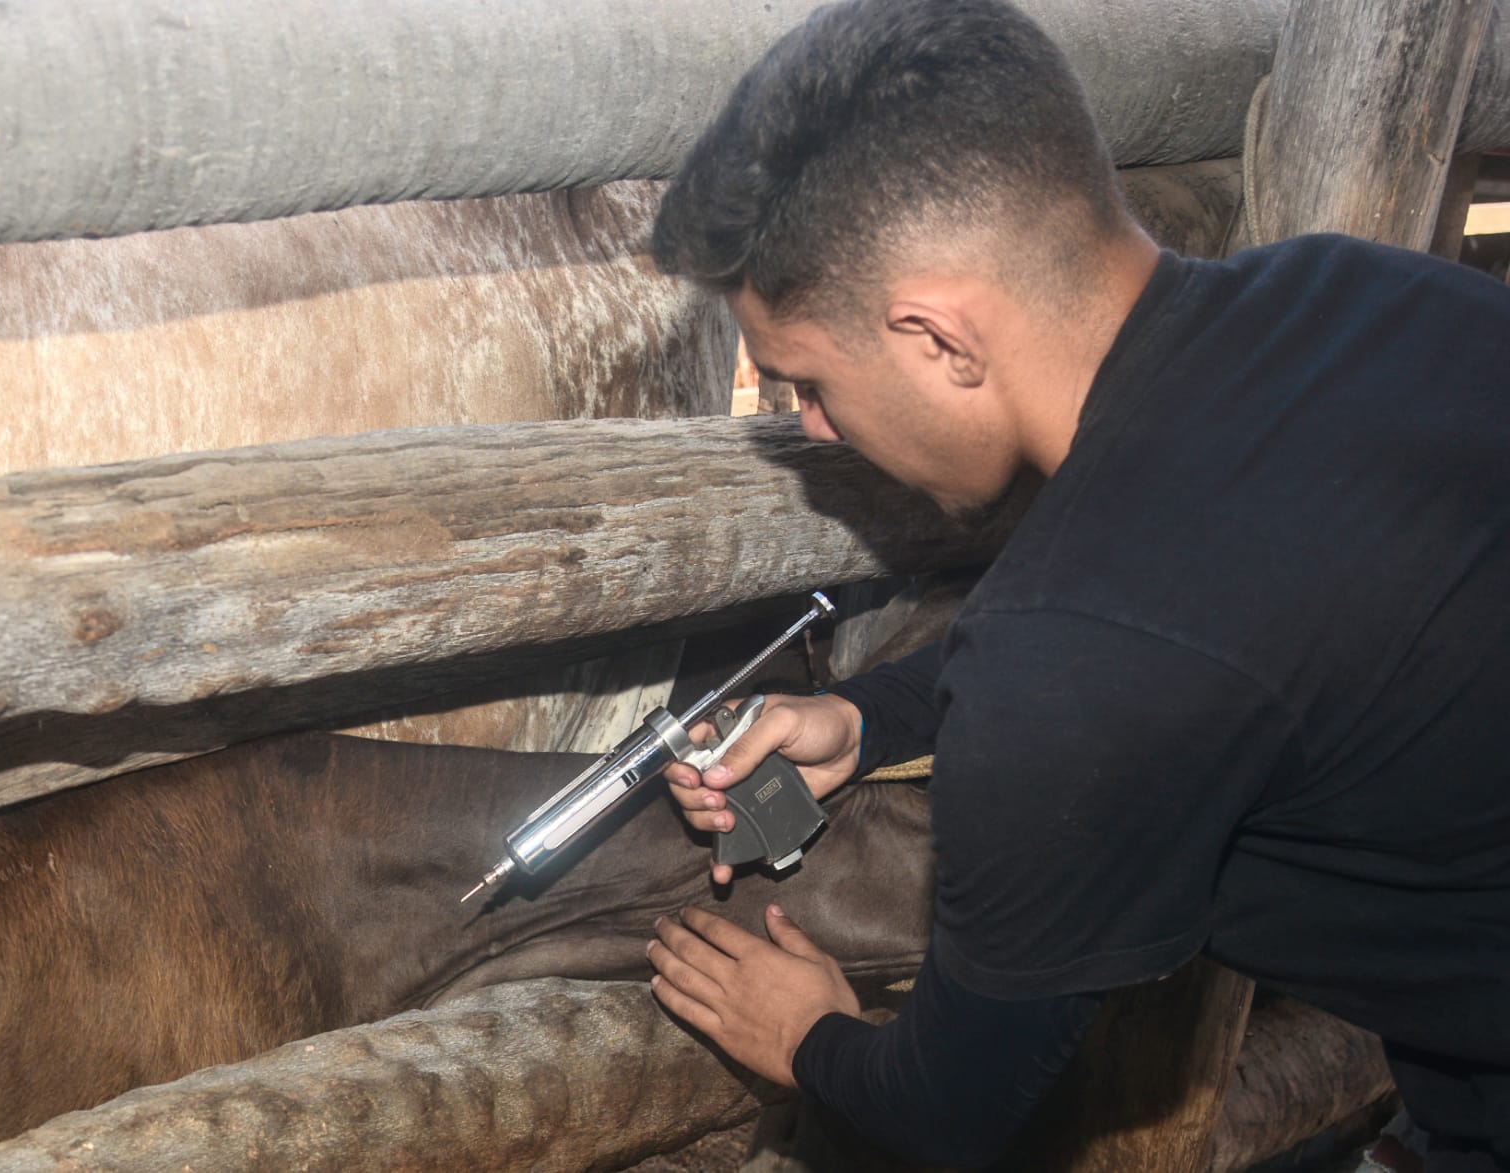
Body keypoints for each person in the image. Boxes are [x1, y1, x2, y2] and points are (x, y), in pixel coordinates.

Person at [640, 0, 1510, 1169]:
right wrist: (869, 714)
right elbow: (1207, 605)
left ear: (939, 340)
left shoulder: (1065, 671)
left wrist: (810, 1040)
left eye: (807, 380)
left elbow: (945, 1108)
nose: (813, 426)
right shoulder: (1361, 294)